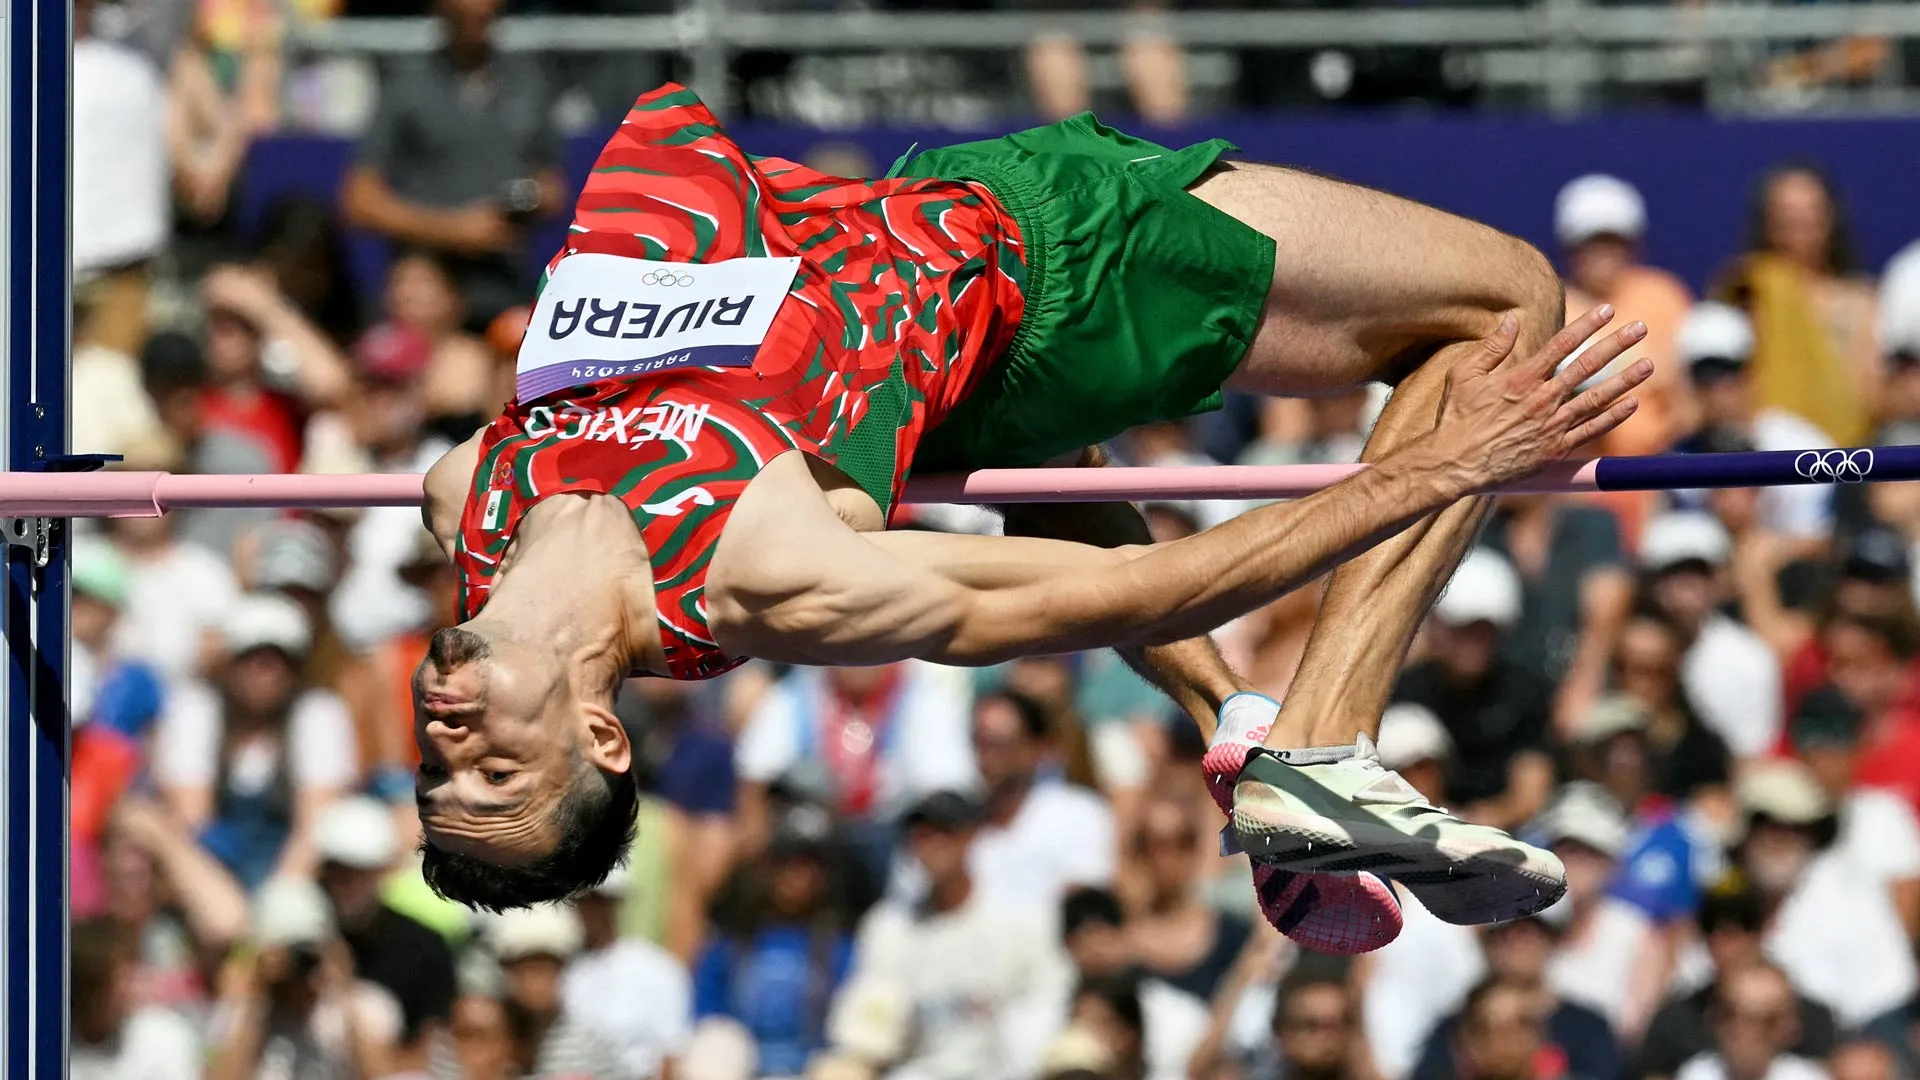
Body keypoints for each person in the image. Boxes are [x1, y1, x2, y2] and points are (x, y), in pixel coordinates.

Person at [412, 82, 1653, 943]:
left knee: (1051, 456)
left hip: (923, 261)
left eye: (437, 769)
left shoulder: (467, 499)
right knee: (1504, 302)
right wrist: (1438, 471)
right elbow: (1141, 589)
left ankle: (1240, 722)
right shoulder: (766, 580)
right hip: (1057, 277)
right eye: (499, 767)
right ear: (601, 731)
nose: (451, 735)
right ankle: (1324, 745)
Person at [339, 0, 564, 328]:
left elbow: (553, 188)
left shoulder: (527, 80)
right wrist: (454, 229)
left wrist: (526, 201)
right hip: (424, 294)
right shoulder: (407, 82)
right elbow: (359, 200)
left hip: (504, 289)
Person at [826, 792, 1067, 1080]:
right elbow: (868, 1026)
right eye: (922, 836)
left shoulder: (1022, 919)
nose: (932, 846)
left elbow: (1043, 1005)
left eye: (944, 833)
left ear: (971, 837)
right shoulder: (889, 927)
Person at [1390, 548, 1557, 831]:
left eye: (1486, 630)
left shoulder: (1524, 693)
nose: (1474, 642)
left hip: (1501, 836)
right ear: (1438, 626)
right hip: (1415, 830)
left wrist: (1482, 821)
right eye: (1464, 628)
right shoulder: (1405, 691)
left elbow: (1531, 793)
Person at [1666, 302, 1834, 547]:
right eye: (1704, 374)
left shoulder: (1803, 447)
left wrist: (1773, 551)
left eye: (1728, 370)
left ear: (1750, 372)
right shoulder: (1676, 457)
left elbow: (1824, 544)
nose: (1717, 388)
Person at [1633, 883, 1838, 1080]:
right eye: (1711, 925)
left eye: (1768, 1021)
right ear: (1714, 1017)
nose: (1726, 939)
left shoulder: (1815, 1022)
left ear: (1790, 1026)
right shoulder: (1675, 1022)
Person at [1554, 174, 1695, 460]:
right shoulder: (1553, 305)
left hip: (1658, 466)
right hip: (1573, 471)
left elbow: (1689, 396)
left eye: (1613, 242)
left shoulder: (1664, 296)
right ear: (1571, 247)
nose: (1603, 254)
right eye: (1592, 242)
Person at [312, 797, 457, 1070]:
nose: (347, 884)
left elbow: (422, 1062)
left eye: (359, 871)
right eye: (338, 870)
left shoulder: (425, 949)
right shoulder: (300, 937)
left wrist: (342, 989)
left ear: (384, 870)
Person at [968, 689, 1117, 908]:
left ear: (1034, 748)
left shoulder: (1078, 814)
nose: (985, 756)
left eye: (998, 743)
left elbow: (1086, 907)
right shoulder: (961, 825)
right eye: (979, 742)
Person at [1057, 886, 1210, 1080]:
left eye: (1105, 942)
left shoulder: (1180, 1015)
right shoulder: (1037, 1018)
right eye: (1086, 943)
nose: (1099, 954)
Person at [561, 864, 694, 1079]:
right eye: (586, 900)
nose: (592, 910)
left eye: (601, 901)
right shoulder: (563, 970)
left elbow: (670, 1056)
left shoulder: (658, 969)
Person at [70, 918, 203, 1080]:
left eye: (129, 975)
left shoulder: (168, 1038)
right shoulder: (46, 1046)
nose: (128, 989)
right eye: (105, 984)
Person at [1672, 963, 1830, 1080]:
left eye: (1767, 1021)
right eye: (1729, 1014)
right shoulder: (1695, 1074)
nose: (1744, 1031)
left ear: (1789, 1027)